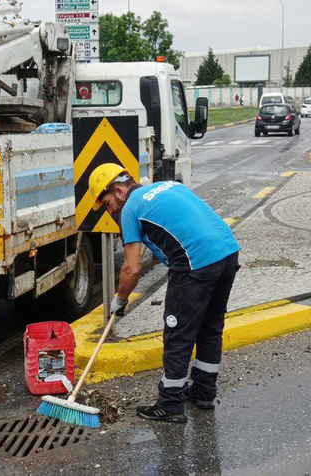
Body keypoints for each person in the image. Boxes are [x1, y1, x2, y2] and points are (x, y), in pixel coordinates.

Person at [88, 163, 240, 423]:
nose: (109, 210)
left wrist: (119, 301)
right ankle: (203, 392)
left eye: (106, 203)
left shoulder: (130, 209)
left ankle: (170, 404)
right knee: (211, 326)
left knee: (178, 333)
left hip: (196, 263)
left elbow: (132, 268)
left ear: (118, 191)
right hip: (227, 252)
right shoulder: (167, 186)